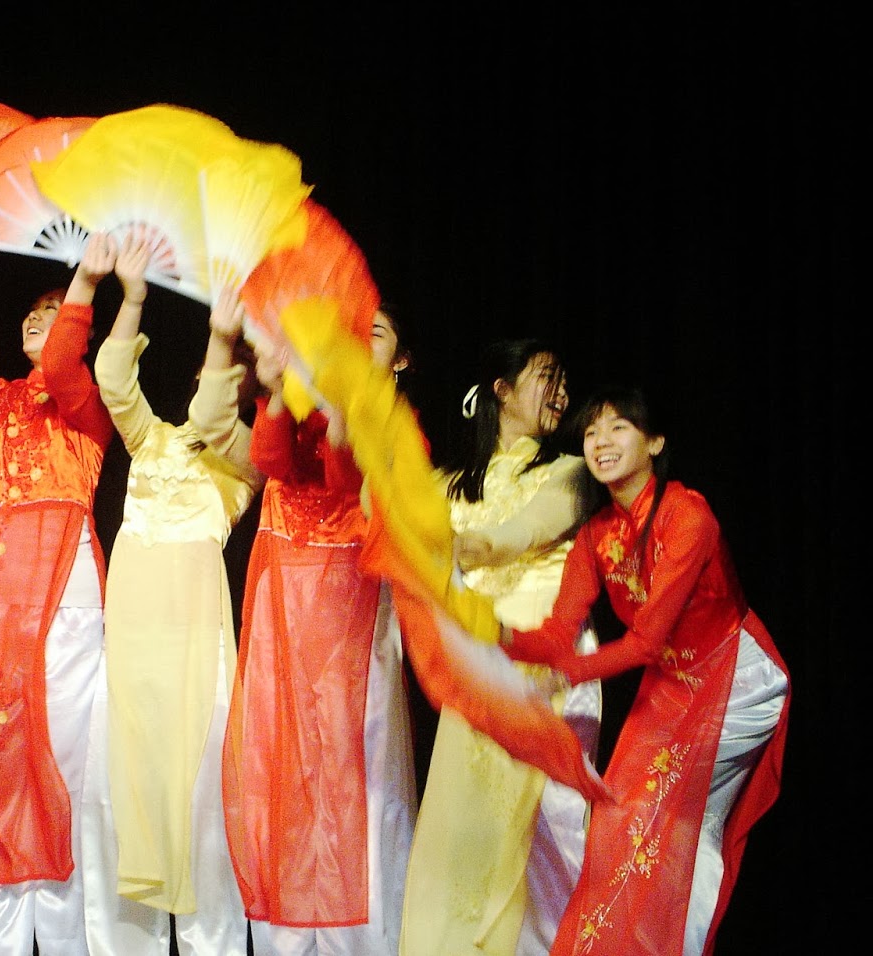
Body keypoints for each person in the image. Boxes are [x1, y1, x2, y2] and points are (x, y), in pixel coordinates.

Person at [502, 385, 789, 956]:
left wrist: (570, 673)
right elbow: (561, 630)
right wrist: (499, 639)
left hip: (734, 677)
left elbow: (644, 641)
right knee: (617, 818)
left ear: (655, 442)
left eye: (618, 428)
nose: (600, 441)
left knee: (674, 821)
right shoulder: (598, 533)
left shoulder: (688, 516)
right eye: (590, 432)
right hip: (672, 681)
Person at [0, 225, 115, 955]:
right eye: (31, 311)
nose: (40, 318)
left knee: (60, 764)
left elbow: (64, 360)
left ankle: (65, 936)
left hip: (63, 602)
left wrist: (88, 286)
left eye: (54, 308)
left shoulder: (86, 406)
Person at [84, 229, 262, 955]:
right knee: (121, 788)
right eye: (210, 372)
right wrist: (131, 296)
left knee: (200, 799)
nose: (215, 388)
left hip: (195, 635)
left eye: (235, 383)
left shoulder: (247, 460)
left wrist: (226, 337)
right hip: (133, 634)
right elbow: (113, 380)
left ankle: (212, 942)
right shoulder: (151, 438)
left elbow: (221, 419)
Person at [221, 308, 420, 955]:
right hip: (286, 606)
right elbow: (269, 458)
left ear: (401, 362)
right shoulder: (298, 404)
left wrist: (342, 416)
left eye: (380, 335)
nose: (363, 341)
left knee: (354, 772)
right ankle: (286, 935)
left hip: (353, 610)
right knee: (280, 763)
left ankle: (361, 939)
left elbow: (345, 476)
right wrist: (279, 391)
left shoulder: (396, 426)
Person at [398, 339, 601, 956]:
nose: (560, 393)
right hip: (480, 670)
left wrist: (459, 547)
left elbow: (519, 533)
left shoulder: (570, 472)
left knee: (547, 836)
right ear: (503, 390)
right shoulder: (452, 486)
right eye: (546, 376)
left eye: (564, 381)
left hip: (549, 667)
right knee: (469, 833)